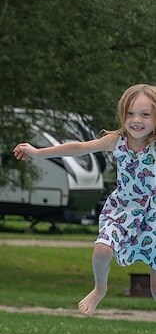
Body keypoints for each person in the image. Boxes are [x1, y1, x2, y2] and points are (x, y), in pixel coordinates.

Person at [14, 84, 156, 316]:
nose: (136, 120)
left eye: (145, 114)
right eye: (130, 113)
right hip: (124, 209)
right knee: (102, 250)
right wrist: (38, 152)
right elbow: (78, 148)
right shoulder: (117, 141)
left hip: (153, 215)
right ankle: (100, 288)